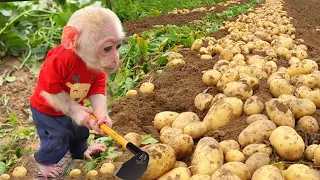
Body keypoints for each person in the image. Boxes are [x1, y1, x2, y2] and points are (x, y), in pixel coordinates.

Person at [29, 6, 125, 179]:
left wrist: (101, 112)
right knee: (59, 137)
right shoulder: (60, 60)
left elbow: (97, 88)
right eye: (107, 48)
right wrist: (75, 110)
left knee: (80, 131)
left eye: (117, 46)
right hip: (47, 109)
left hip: (73, 104)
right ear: (72, 38)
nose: (116, 57)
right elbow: (50, 92)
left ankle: (81, 151)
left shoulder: (94, 61)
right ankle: (42, 160)